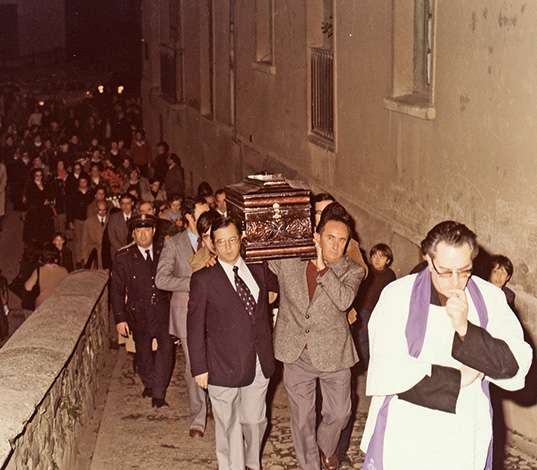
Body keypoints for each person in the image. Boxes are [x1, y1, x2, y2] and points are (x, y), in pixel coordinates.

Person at [361, 220, 532, 470]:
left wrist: (466, 329)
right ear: (429, 260)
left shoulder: (490, 298)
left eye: (464, 271)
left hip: (464, 427)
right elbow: (388, 367)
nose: (455, 281)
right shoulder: (397, 295)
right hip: (408, 427)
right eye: (445, 271)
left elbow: (513, 365)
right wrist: (459, 378)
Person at [268, 209, 365, 470]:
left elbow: (344, 300)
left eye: (342, 240)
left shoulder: (353, 270)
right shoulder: (290, 261)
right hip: (297, 352)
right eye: (330, 238)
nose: (335, 245)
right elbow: (259, 256)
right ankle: (310, 465)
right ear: (317, 237)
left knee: (340, 413)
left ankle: (325, 446)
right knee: (302, 420)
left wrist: (322, 267)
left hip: (335, 354)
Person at [187, 217, 279, 470]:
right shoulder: (203, 279)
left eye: (232, 240)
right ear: (213, 245)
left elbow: (284, 282)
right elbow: (194, 326)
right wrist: (199, 367)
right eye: (221, 242)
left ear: (241, 239)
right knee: (228, 425)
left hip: (259, 361)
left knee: (254, 420)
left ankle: (252, 462)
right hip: (221, 364)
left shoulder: (259, 270)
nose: (228, 247)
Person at [155, 196, 210, 437]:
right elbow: (161, 280)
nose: (209, 218)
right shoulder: (174, 244)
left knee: (213, 359)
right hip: (186, 313)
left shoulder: (213, 238)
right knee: (193, 364)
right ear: (189, 217)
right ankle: (198, 418)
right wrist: (194, 283)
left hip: (214, 312)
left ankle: (212, 404)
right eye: (203, 214)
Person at [111, 214, 173, 408]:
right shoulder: (123, 257)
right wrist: (120, 318)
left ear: (153, 231)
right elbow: (116, 290)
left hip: (162, 309)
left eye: (147, 230)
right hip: (138, 312)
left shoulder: (165, 251)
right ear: (133, 233)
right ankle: (149, 383)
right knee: (143, 351)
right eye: (139, 230)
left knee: (166, 349)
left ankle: (158, 392)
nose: (143, 234)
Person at [355, 243, 396, 368]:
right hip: (364, 310)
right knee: (362, 338)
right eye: (374, 256)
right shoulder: (365, 271)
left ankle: (376, 365)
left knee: (378, 339)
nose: (377, 259)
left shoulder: (390, 275)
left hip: (379, 311)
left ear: (388, 261)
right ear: (370, 258)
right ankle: (365, 367)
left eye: (382, 257)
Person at [24, 244, 69, 310]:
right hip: (58, 304)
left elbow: (28, 287)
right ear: (56, 259)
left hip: (42, 305)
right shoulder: (64, 271)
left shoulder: (39, 271)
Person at [82, 200, 109, 269]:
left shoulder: (110, 219)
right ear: (96, 208)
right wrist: (85, 257)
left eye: (104, 210)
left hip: (107, 254)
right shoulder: (89, 221)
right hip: (93, 252)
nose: (102, 213)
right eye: (100, 210)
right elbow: (85, 241)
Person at [107, 193, 135, 260]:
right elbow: (112, 238)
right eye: (123, 203)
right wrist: (123, 251)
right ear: (120, 204)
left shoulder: (137, 216)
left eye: (128, 203)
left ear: (132, 203)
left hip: (134, 253)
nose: (125, 206)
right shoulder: (113, 217)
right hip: (118, 252)